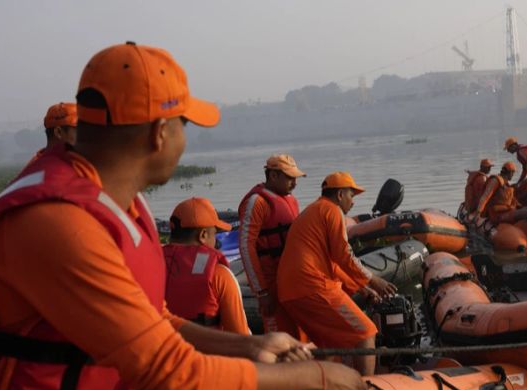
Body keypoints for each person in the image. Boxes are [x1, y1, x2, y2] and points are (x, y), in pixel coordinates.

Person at [0, 42, 367, 390]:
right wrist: (319, 376)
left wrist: (248, 346)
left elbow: (151, 320)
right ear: (159, 133)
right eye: (184, 125)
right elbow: (177, 381)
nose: (185, 140)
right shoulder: (58, 224)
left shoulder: (112, 201)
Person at [277, 172, 398, 376]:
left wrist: (361, 287)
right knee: (366, 332)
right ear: (340, 194)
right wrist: (374, 279)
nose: (353, 202)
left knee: (328, 346)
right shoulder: (332, 211)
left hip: (290, 293)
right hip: (313, 287)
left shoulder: (313, 211)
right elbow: (344, 255)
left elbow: (332, 263)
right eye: (352, 195)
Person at [238, 154, 307, 338]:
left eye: (295, 178)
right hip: (270, 281)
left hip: (292, 280)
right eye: (290, 178)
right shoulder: (257, 202)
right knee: (279, 337)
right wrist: (262, 292)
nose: (294, 183)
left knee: (300, 336)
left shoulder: (291, 200)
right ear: (274, 176)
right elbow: (246, 246)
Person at [164, 197, 250, 334]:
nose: (216, 241)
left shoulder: (151, 265)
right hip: (207, 354)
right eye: (215, 234)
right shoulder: (219, 275)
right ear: (203, 235)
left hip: (160, 351)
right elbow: (241, 337)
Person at [470, 161, 527, 225]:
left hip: (506, 211)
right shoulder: (495, 181)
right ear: (510, 172)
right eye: (513, 173)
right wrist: (478, 212)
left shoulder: (506, 184)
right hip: (497, 215)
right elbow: (485, 196)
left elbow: (513, 200)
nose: (513, 175)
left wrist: (520, 207)